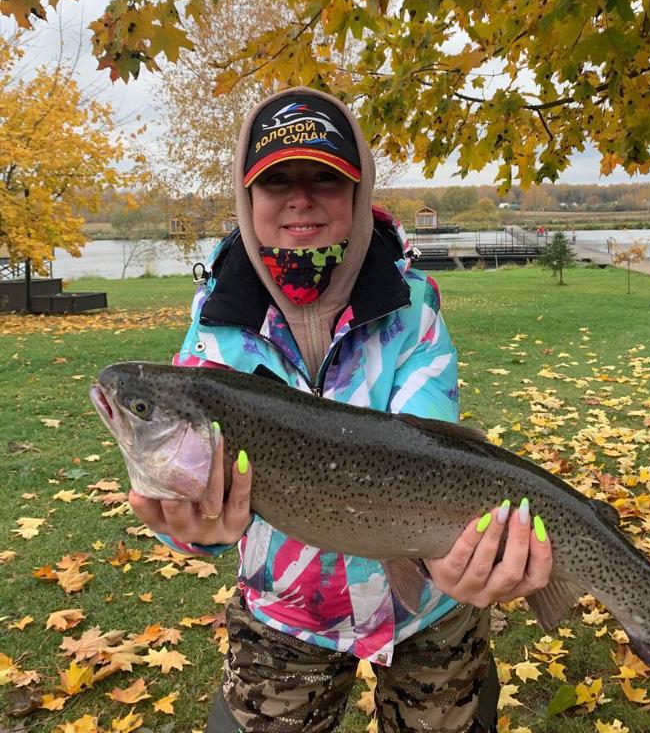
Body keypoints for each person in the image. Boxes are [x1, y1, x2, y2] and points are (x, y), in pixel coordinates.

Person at [128, 87, 553, 733]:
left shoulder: (412, 306)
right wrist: (184, 527)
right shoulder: (217, 326)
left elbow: (436, 449)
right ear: (249, 199)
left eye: (324, 177)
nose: (300, 197)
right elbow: (179, 473)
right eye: (276, 180)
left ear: (358, 191)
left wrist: (457, 558)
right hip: (286, 611)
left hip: (431, 609)